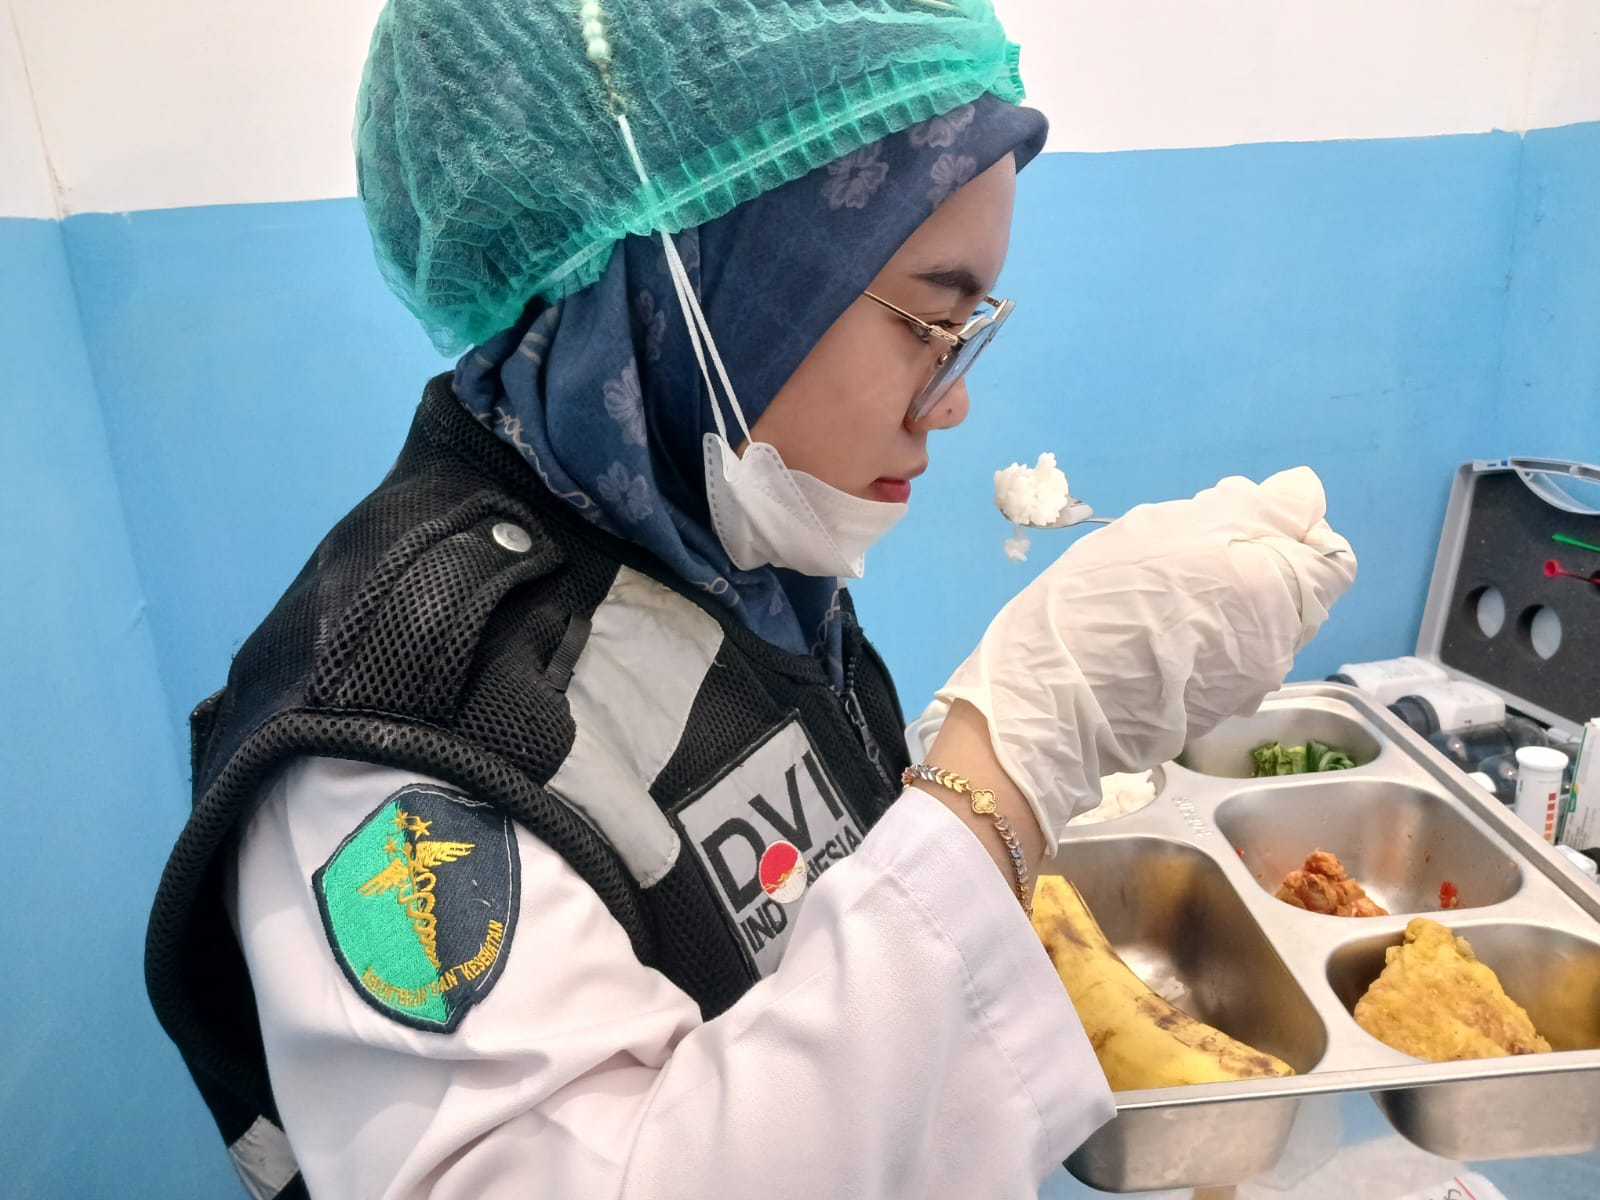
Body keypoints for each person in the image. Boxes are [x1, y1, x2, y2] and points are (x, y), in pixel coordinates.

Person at [144, 2, 1356, 1198]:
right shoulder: (394, 745)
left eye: (970, 329)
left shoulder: (713, 546)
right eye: (930, 323)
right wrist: (1021, 745)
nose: (951, 402)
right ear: (709, 278)